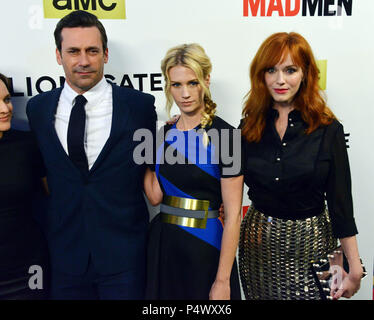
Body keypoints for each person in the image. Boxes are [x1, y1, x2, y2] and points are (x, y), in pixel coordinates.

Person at [26, 11, 157, 299]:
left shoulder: (139, 107)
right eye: (73, 51)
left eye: (92, 51)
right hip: (63, 258)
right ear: (59, 55)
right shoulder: (37, 109)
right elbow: (42, 175)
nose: (83, 61)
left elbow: (154, 171)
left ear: (106, 54)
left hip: (125, 258)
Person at [238, 32, 363, 300]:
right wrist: (183, 123)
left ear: (305, 73)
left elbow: (341, 203)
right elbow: (228, 183)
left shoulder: (328, 129)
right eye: (271, 70)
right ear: (261, 75)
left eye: (290, 70)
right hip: (257, 247)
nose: (280, 80)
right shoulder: (248, 127)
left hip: (314, 245)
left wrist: (354, 266)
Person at [144, 43, 243, 300]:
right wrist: (143, 156)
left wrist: (222, 281)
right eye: (176, 85)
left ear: (206, 80)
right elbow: (155, 196)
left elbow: (233, 217)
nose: (185, 93)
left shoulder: (226, 136)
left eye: (193, 83)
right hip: (165, 246)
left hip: (205, 246)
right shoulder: (162, 134)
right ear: (168, 86)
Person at [0, 73, 49, 299]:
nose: (5, 109)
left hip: (29, 266)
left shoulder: (26, 144)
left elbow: (54, 195)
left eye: (7, 99)